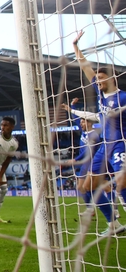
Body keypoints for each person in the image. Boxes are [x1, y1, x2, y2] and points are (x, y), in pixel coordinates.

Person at [69, 30, 126, 235]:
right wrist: (75, 46)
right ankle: (114, 225)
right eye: (98, 78)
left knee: (122, 183)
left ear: (113, 79)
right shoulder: (101, 95)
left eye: (102, 78)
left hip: (120, 144)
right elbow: (86, 68)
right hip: (104, 147)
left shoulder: (123, 97)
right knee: (88, 186)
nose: (98, 81)